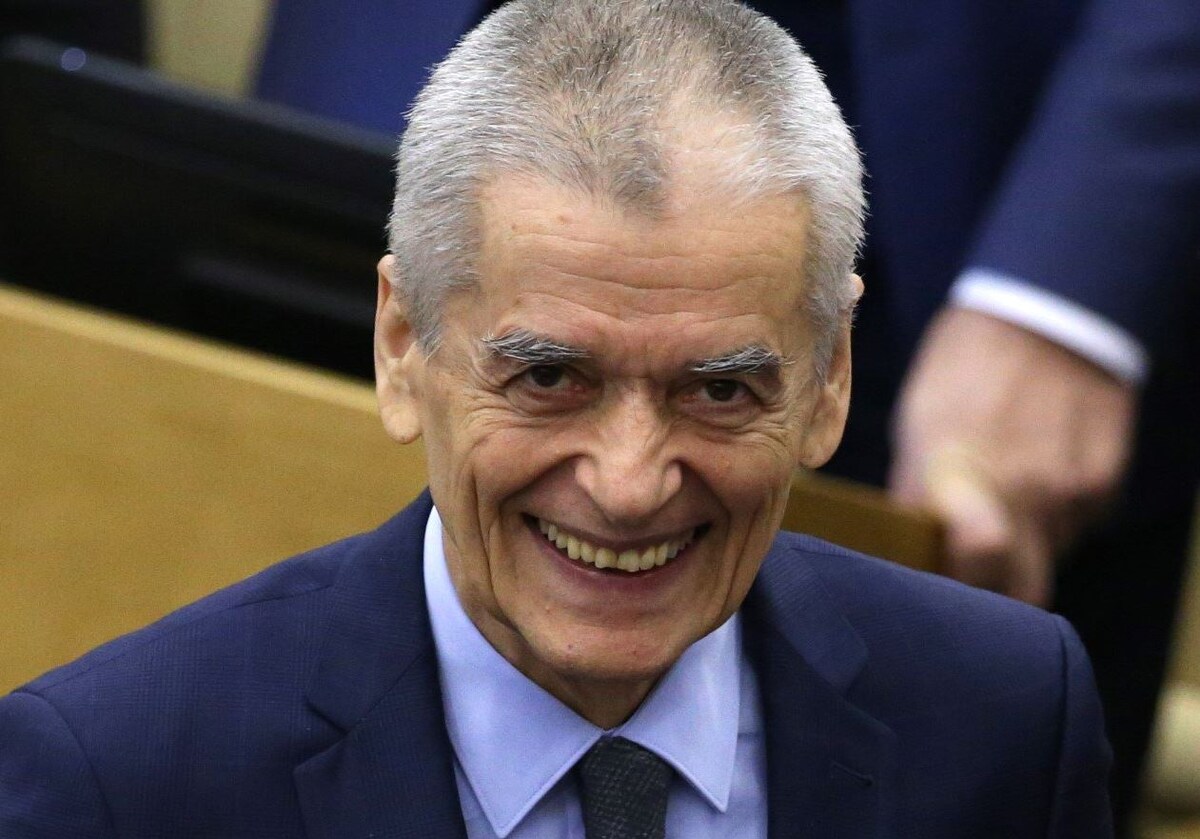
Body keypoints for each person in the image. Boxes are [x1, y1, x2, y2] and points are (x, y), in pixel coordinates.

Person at [1, 1, 1112, 835]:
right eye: (548, 378)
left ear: (829, 381)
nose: (628, 484)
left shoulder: (1007, 722)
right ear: (403, 345)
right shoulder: (121, 781)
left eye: (719, 390)